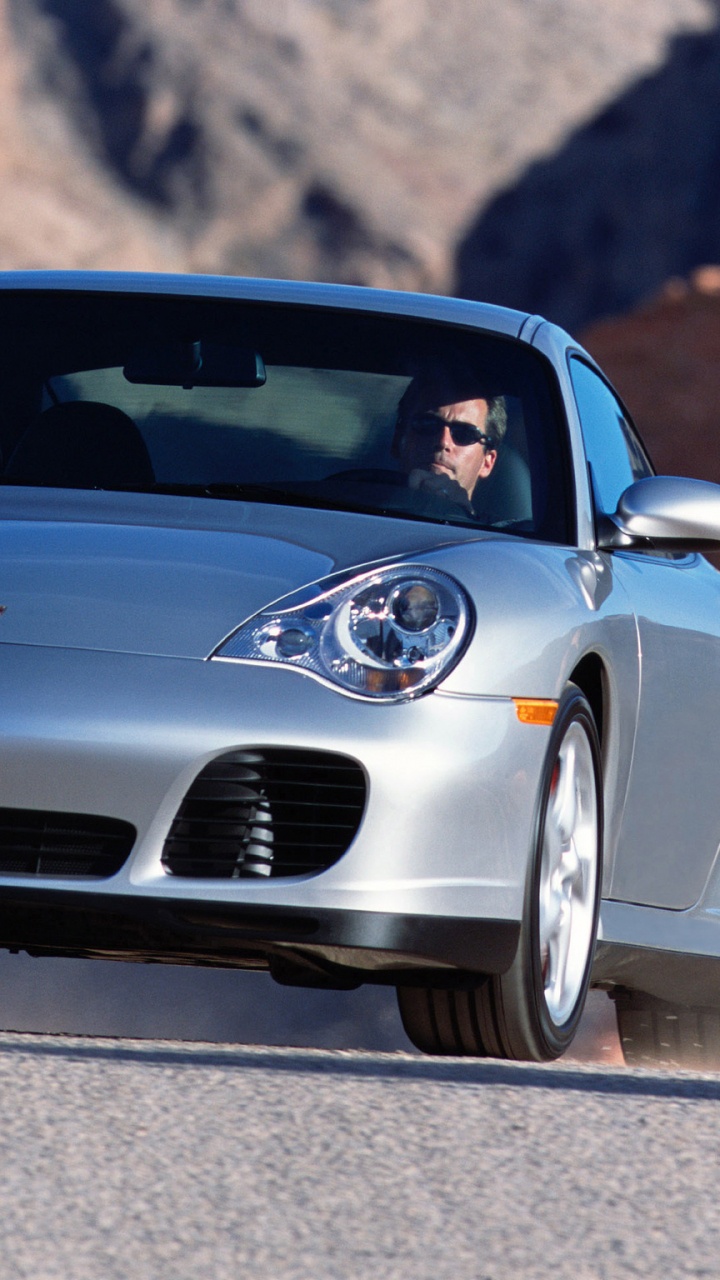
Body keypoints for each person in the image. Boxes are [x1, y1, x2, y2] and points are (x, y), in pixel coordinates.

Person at [392, 370, 507, 514]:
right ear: (398, 439)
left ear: (487, 462)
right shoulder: (357, 510)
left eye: (465, 433)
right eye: (427, 424)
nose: (443, 442)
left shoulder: (496, 536)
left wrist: (461, 516)